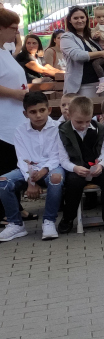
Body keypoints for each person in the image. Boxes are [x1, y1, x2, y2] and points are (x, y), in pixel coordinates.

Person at [0, 92, 64, 241]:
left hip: (52, 167)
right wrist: (31, 180)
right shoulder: (20, 131)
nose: (38, 115)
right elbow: (23, 159)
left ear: (49, 110)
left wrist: (44, 170)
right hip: (28, 171)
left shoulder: (59, 128)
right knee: (2, 182)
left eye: (42, 110)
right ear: (25, 114)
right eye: (33, 112)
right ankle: (16, 224)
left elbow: (57, 155)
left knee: (56, 178)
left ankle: (49, 221)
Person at [57, 96, 104, 234]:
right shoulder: (62, 131)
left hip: (94, 166)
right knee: (73, 183)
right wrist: (75, 168)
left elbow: (103, 152)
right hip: (75, 167)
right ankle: (68, 218)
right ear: (69, 115)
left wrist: (101, 165)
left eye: (87, 121)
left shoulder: (99, 128)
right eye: (79, 122)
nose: (83, 125)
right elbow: (63, 159)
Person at [60, 6, 104, 98]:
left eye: (82, 17)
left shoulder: (93, 33)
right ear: (70, 20)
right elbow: (78, 55)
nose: (80, 20)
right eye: (76, 18)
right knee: (87, 107)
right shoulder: (67, 37)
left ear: (86, 18)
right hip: (86, 85)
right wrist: (102, 53)